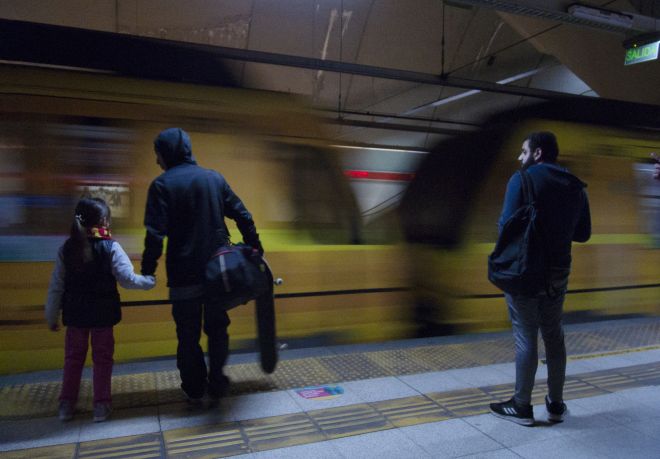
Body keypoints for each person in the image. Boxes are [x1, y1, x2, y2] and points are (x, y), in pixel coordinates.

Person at [140, 127, 263, 407]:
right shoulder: (214, 179)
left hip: (183, 276)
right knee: (217, 329)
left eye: (157, 154)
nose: (157, 161)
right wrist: (255, 246)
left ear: (166, 153)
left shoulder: (161, 185)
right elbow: (243, 215)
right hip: (219, 273)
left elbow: (154, 234)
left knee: (187, 336)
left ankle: (195, 389)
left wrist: (148, 270)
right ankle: (217, 381)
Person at [489, 131, 591, 426]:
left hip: (525, 271)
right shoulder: (575, 185)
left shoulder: (522, 180)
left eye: (523, 152)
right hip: (558, 272)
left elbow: (505, 225)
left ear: (537, 153)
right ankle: (556, 404)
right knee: (554, 334)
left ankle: (522, 406)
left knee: (526, 337)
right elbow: (583, 234)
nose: (520, 158)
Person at [45, 197, 156, 422]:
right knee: (103, 360)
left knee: (73, 359)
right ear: (104, 221)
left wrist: (51, 315)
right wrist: (148, 282)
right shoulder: (111, 247)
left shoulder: (66, 249)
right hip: (103, 316)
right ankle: (101, 406)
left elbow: (57, 286)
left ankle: (66, 405)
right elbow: (127, 279)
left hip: (75, 316)